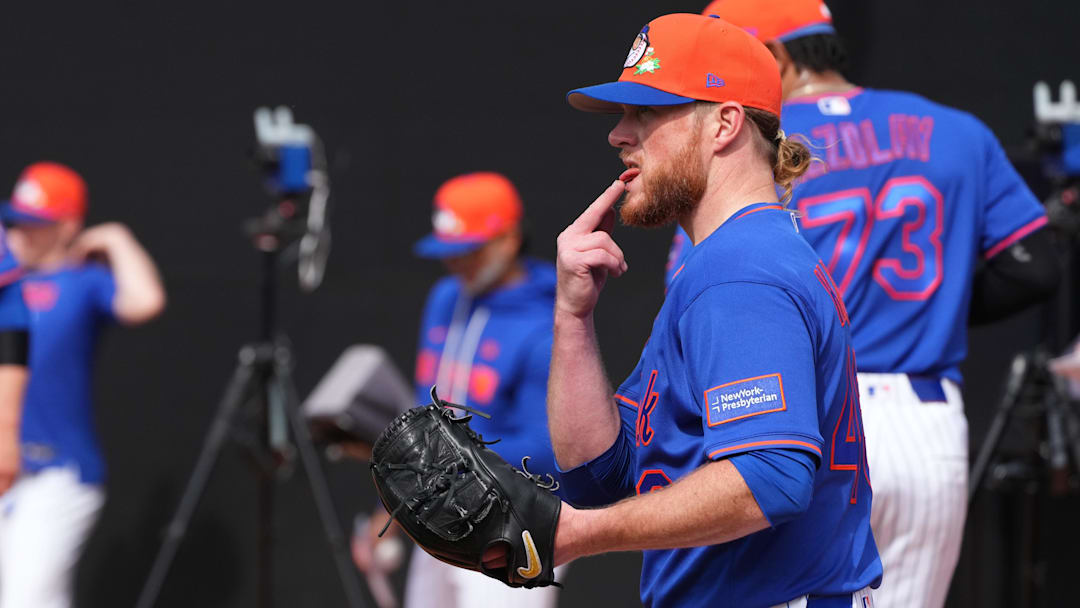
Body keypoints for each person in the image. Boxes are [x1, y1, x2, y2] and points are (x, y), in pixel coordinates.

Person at [657, 2, 1059, 605]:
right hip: (923, 420)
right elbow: (1037, 267)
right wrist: (938, 307)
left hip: (808, 419)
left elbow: (699, 291)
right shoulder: (956, 129)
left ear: (777, 57)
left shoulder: (751, 143)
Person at [539, 13, 880, 607]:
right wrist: (573, 319)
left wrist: (577, 536)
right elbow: (602, 477)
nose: (619, 135)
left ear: (725, 123)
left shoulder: (740, 269)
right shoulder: (732, 259)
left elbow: (769, 479)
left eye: (645, 112)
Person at [352, 172, 564, 608]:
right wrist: (393, 502)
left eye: (469, 251)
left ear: (508, 239)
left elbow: (548, 448)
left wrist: (438, 468)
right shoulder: (445, 297)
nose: (455, 263)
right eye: (449, 252)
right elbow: (422, 407)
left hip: (514, 523)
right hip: (440, 511)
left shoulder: (550, 323)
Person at [0, 162, 166, 608]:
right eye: (15, 221)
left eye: (36, 225)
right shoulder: (6, 281)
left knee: (26, 599)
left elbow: (145, 301)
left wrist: (114, 237)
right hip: (5, 472)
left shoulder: (82, 282)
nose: (21, 233)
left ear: (66, 226)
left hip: (57, 472)